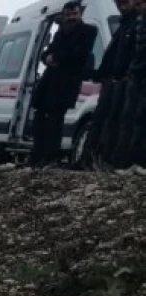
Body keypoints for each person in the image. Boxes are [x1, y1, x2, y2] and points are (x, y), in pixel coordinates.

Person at [28, 1, 98, 168]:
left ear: (80, 13)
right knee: (40, 118)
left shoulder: (89, 31)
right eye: (68, 15)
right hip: (49, 81)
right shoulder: (60, 32)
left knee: (55, 120)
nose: (71, 18)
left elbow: (78, 54)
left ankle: (51, 156)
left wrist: (55, 58)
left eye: (74, 14)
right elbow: (46, 53)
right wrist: (49, 58)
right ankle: (38, 155)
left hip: (66, 83)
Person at [83, 0, 138, 170]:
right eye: (118, 3)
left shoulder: (136, 26)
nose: (121, 6)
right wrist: (99, 75)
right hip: (111, 81)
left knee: (116, 122)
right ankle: (91, 159)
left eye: (124, 2)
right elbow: (112, 56)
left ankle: (110, 160)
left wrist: (128, 75)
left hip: (124, 83)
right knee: (102, 121)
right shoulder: (123, 26)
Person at [114, 0, 146, 173]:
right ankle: (131, 162)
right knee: (131, 117)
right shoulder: (139, 22)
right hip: (137, 75)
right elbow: (136, 50)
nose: (140, 7)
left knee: (141, 117)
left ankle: (141, 162)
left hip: (140, 73)